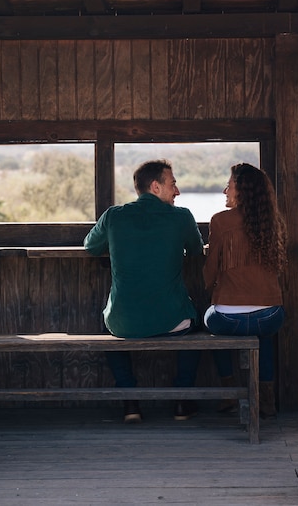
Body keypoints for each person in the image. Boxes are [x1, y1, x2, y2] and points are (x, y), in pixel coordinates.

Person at [84, 159, 204, 423]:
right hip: (174, 322)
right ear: (155, 186)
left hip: (123, 323)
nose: (178, 191)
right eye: (173, 184)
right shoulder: (181, 216)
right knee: (195, 322)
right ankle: (182, 400)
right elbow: (196, 250)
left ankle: (130, 402)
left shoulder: (114, 215)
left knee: (108, 324)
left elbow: (90, 246)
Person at [203, 163, 287, 418]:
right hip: (271, 315)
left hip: (228, 318)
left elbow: (210, 269)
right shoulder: (273, 222)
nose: (225, 190)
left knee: (211, 325)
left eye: (229, 184)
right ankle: (267, 401)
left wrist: (211, 287)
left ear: (240, 190)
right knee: (264, 336)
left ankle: (229, 393)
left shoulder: (220, 221)